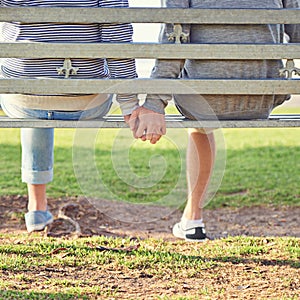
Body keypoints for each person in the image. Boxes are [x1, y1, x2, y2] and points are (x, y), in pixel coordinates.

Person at [127, 0, 300, 241]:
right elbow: (297, 28)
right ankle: (191, 216)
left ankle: (193, 217)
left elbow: (174, 37)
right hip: (261, 97)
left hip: (202, 101)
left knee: (200, 123)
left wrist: (155, 102)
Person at [0, 0, 139, 233]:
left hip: (23, 100)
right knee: (41, 94)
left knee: (34, 96)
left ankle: (36, 206)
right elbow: (118, 37)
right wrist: (129, 103)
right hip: (86, 103)